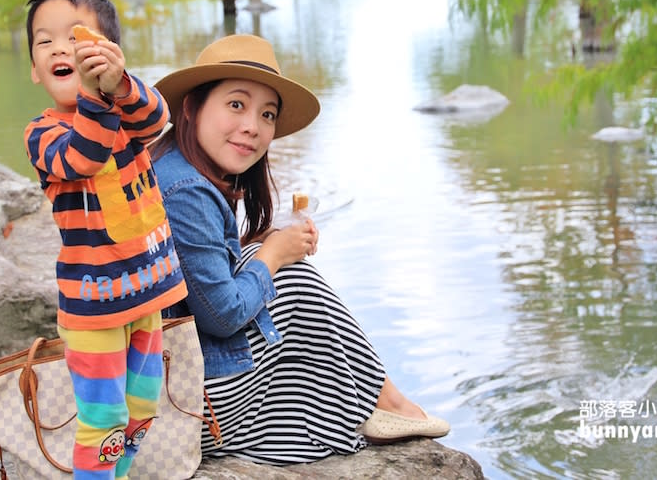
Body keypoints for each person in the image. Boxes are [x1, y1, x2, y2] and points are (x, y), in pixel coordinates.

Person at [149, 34, 449, 465]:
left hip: (177, 378)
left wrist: (267, 246)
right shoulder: (185, 191)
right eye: (236, 105)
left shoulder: (176, 164)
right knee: (293, 279)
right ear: (192, 108)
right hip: (191, 405)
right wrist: (273, 255)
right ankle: (387, 405)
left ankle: (378, 402)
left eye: (266, 114)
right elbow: (220, 316)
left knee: (268, 265)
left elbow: (203, 281)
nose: (253, 126)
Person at [23, 0, 187, 480]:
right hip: (93, 308)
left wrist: (118, 86)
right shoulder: (44, 133)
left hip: (146, 296)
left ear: (109, 53)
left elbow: (159, 117)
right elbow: (84, 156)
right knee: (104, 421)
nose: (59, 48)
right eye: (43, 41)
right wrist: (97, 98)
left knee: (141, 410)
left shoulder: (127, 113)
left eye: (74, 36)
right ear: (35, 69)